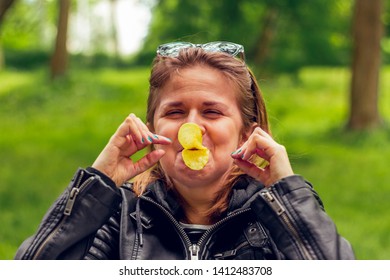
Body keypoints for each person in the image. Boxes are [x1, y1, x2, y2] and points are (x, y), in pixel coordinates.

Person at [15, 41, 355, 260]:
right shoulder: (118, 218)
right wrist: (97, 183)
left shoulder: (280, 218)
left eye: (212, 112)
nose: (190, 127)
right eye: (175, 112)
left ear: (246, 134)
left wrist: (286, 191)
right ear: (151, 129)